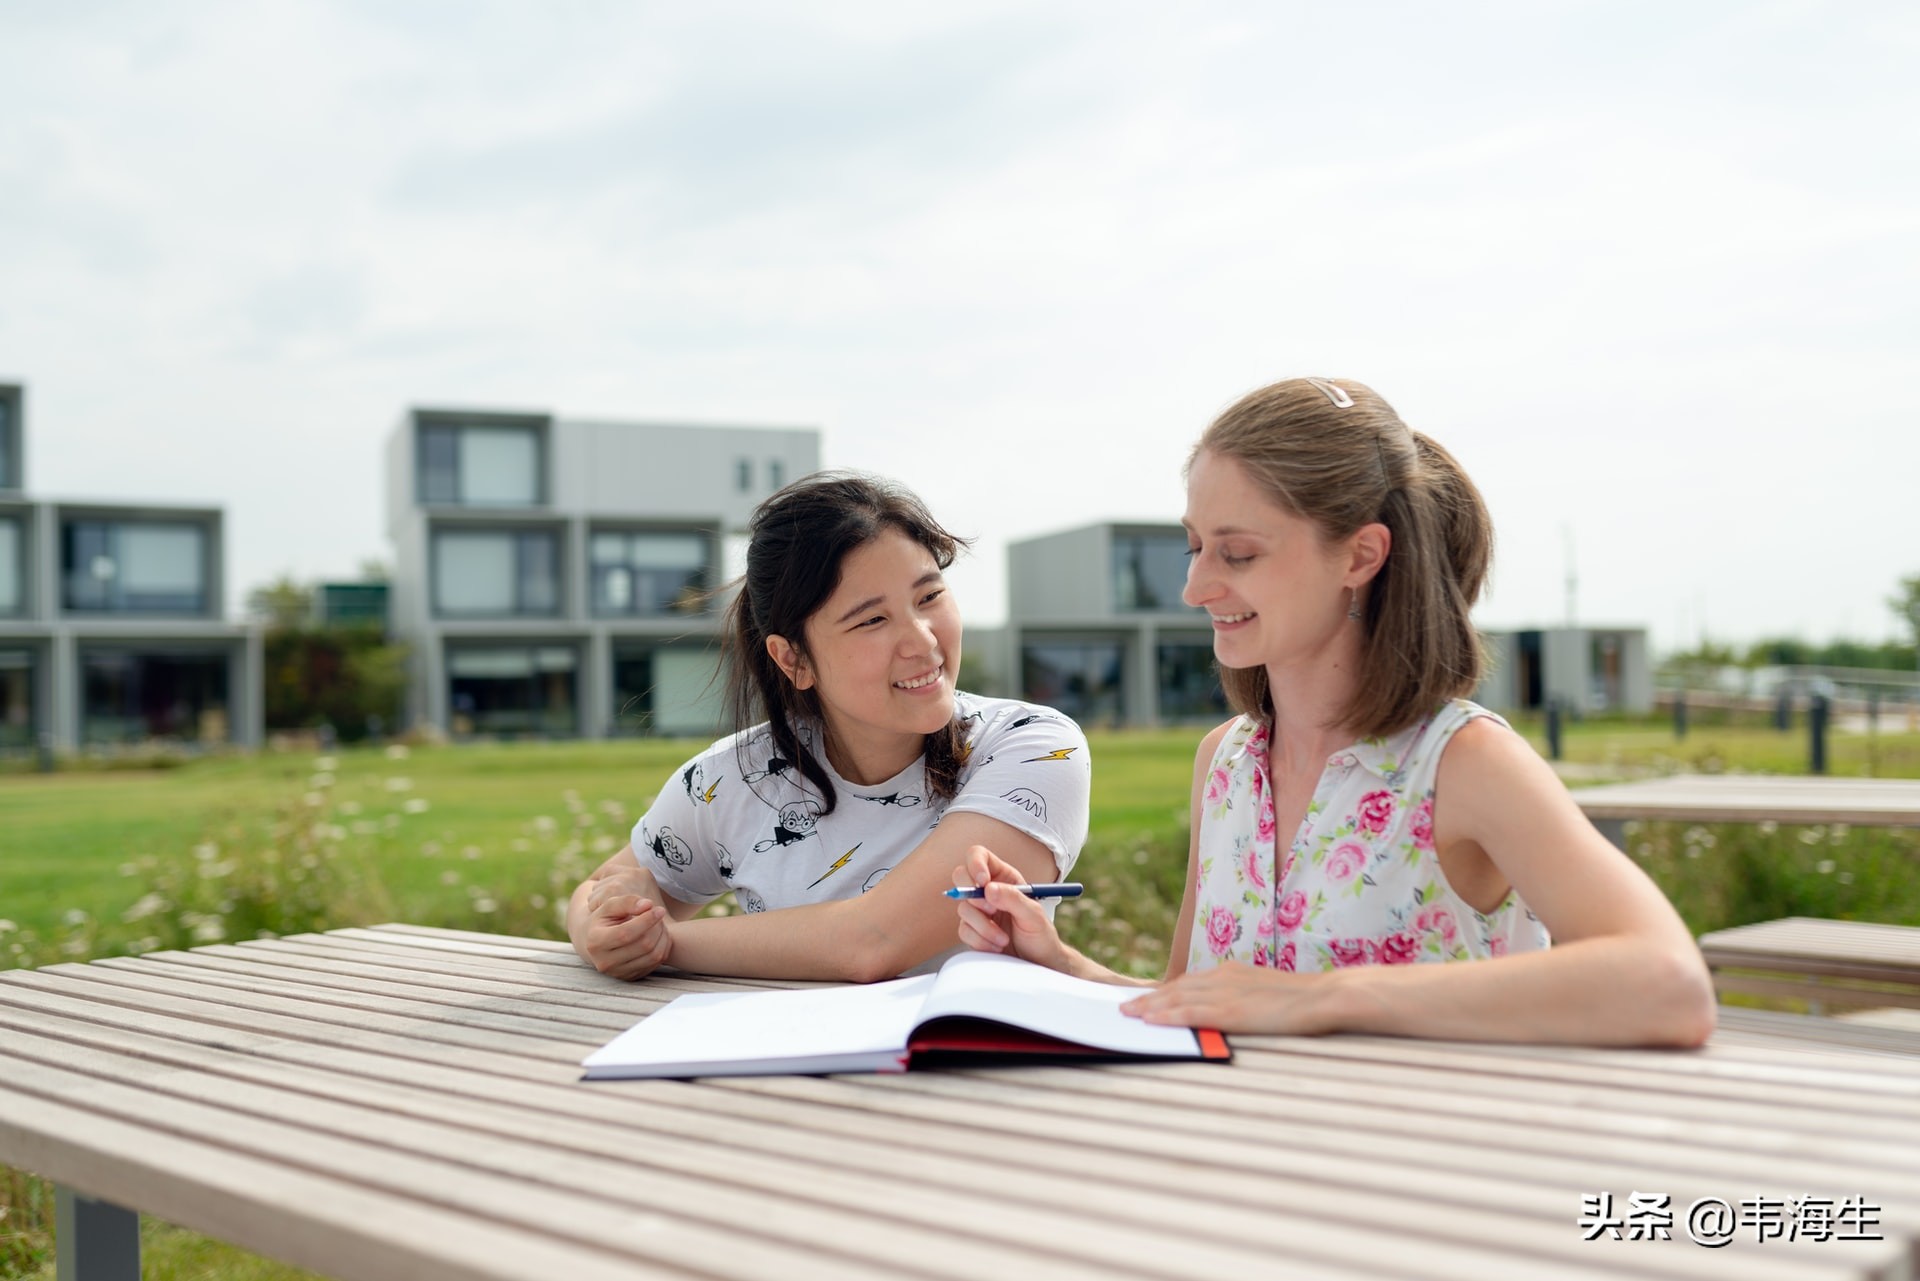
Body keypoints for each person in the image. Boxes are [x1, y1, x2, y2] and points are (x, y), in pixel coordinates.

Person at [955, 377, 1717, 1047]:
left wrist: (1326, 999)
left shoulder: (1464, 763)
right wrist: (1055, 960)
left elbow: (1670, 983)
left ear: (1359, 556)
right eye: (1193, 548)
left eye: (1238, 553)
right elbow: (1199, 1003)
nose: (1195, 587)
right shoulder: (1223, 763)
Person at [569, 471, 1091, 982]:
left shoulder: (1035, 746)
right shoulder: (731, 779)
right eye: (872, 620)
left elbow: (874, 942)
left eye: (929, 597)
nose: (924, 642)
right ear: (793, 659)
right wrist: (606, 928)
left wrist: (663, 943)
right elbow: (599, 890)